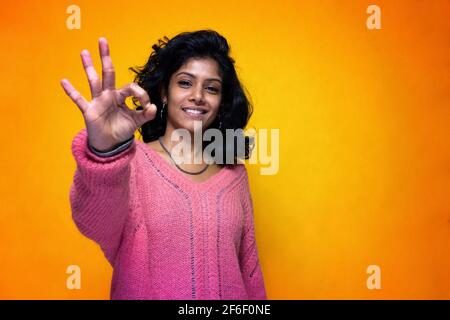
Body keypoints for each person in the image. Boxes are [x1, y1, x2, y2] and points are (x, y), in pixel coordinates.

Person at [60, 29, 266, 300]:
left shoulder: (235, 176)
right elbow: (93, 221)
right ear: (164, 92)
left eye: (211, 88)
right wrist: (104, 151)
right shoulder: (129, 165)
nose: (198, 96)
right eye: (185, 83)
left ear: (221, 102)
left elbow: (250, 277)